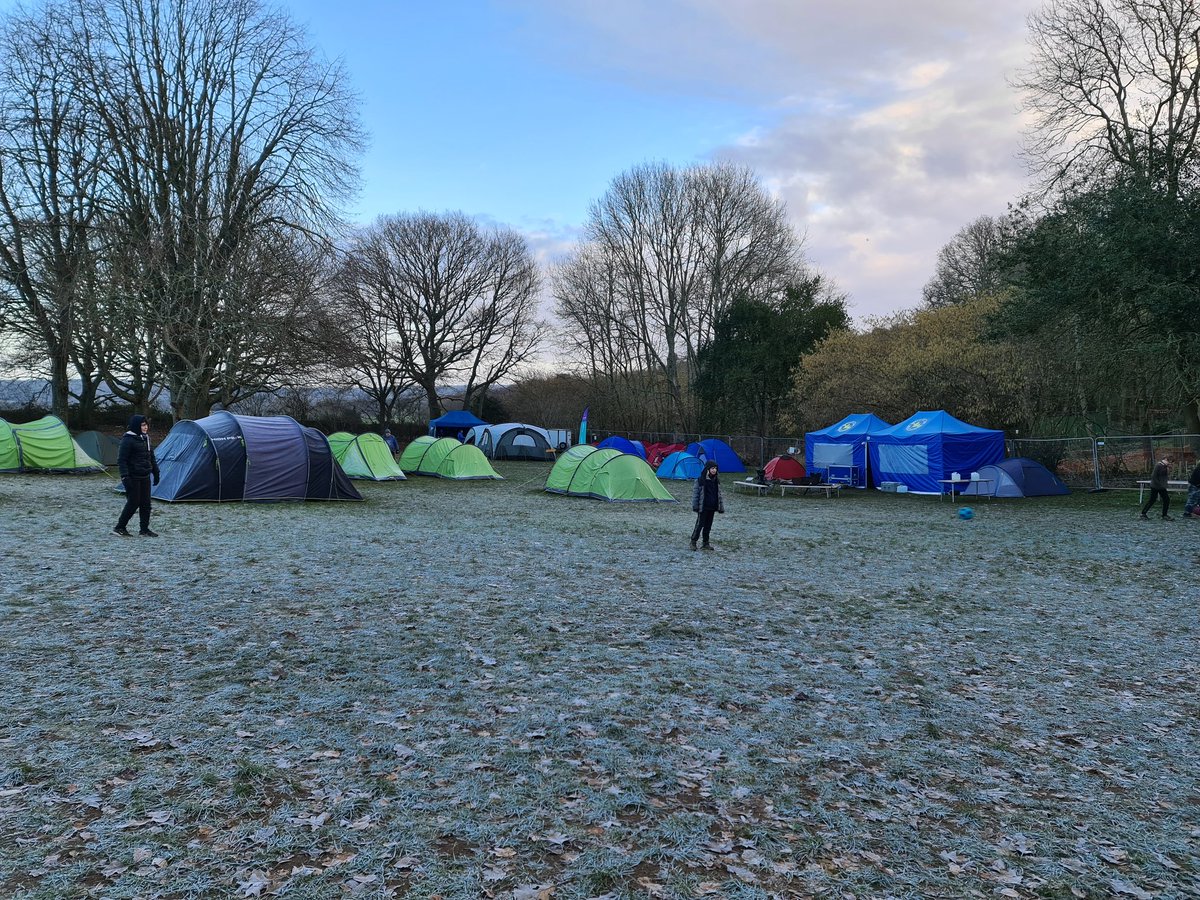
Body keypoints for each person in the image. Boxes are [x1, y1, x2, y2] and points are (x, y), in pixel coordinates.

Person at [113, 414, 160, 537]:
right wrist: (125, 477)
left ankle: (144, 529)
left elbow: (151, 457)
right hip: (132, 477)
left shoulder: (146, 438)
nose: (145, 427)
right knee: (133, 503)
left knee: (146, 504)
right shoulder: (127, 440)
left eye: (146, 425)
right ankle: (120, 527)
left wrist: (156, 472)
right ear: (136, 426)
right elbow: (121, 460)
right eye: (142, 425)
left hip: (145, 476)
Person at [690, 460, 725, 551]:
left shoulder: (716, 481)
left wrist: (720, 506)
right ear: (708, 469)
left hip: (712, 507)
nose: (714, 470)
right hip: (703, 507)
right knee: (699, 525)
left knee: (708, 526)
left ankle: (705, 543)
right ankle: (693, 541)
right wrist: (696, 506)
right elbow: (696, 494)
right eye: (712, 468)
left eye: (716, 468)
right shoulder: (700, 480)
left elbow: (719, 494)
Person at [1139, 455, 1173, 520]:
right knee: (1152, 500)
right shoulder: (1158, 465)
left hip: (1161, 486)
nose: (1170, 463)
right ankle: (1143, 513)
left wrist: (1168, 468)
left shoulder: (1165, 466)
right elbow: (1153, 476)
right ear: (1165, 459)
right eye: (1169, 461)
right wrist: (1160, 484)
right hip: (1156, 486)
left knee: (1166, 500)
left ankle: (1164, 515)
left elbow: (1165, 475)